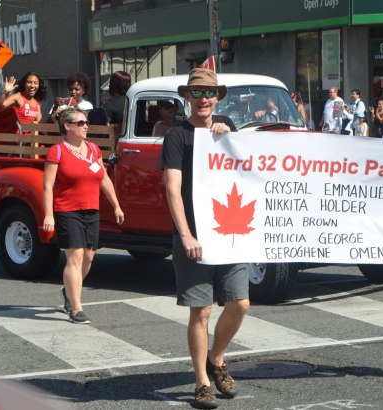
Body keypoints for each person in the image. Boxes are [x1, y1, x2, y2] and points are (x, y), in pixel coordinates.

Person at [161, 68, 250, 409]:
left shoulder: (227, 127)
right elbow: (172, 189)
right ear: (187, 96)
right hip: (195, 238)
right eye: (196, 93)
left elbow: (247, 171)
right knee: (201, 311)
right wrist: (185, 234)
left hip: (229, 233)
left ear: (217, 97)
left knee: (240, 303)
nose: (203, 99)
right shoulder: (177, 136)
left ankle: (217, 358)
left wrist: (229, 136)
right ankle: (201, 382)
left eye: (209, 93)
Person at [42, 108, 124, 324]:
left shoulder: (94, 149)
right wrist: (48, 215)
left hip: (91, 209)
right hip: (66, 210)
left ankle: (68, 290)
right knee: (75, 255)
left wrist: (116, 205)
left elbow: (104, 179)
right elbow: (48, 187)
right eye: (80, 122)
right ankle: (76, 308)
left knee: (88, 257)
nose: (85, 125)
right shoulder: (57, 151)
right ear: (67, 126)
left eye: (86, 122)